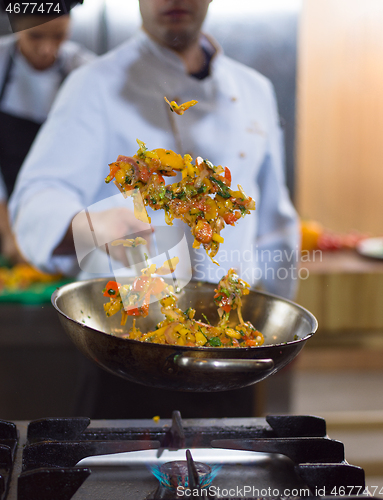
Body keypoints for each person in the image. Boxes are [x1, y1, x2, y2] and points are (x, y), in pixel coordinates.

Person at [9, 0, 300, 418]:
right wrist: (94, 225)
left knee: (227, 478)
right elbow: (38, 194)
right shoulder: (94, 83)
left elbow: (274, 223)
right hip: (129, 349)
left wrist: (278, 334)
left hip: (232, 348)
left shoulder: (254, 89)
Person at [0, 11, 95, 262]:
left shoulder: (84, 69)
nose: (47, 48)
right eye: (35, 36)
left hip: (65, 213)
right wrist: (8, 232)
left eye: (59, 36)